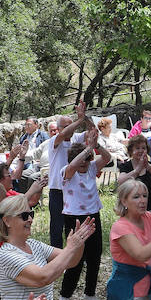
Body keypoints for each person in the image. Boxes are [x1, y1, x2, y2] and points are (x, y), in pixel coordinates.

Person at [58, 125, 111, 300]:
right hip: (74, 219)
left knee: (94, 257)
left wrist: (96, 146)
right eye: (81, 159)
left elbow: (107, 158)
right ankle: (65, 295)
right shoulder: (67, 171)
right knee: (75, 259)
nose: (84, 162)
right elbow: (73, 165)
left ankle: (90, 293)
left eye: (87, 159)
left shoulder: (91, 167)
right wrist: (88, 149)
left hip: (93, 215)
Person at [45, 104, 92, 247]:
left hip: (72, 190)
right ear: (58, 128)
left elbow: (92, 131)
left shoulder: (75, 138)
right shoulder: (54, 141)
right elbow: (64, 134)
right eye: (65, 126)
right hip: (57, 190)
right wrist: (79, 121)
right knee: (57, 227)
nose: (69, 129)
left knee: (72, 225)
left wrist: (85, 117)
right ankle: (56, 256)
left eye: (70, 126)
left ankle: (73, 254)